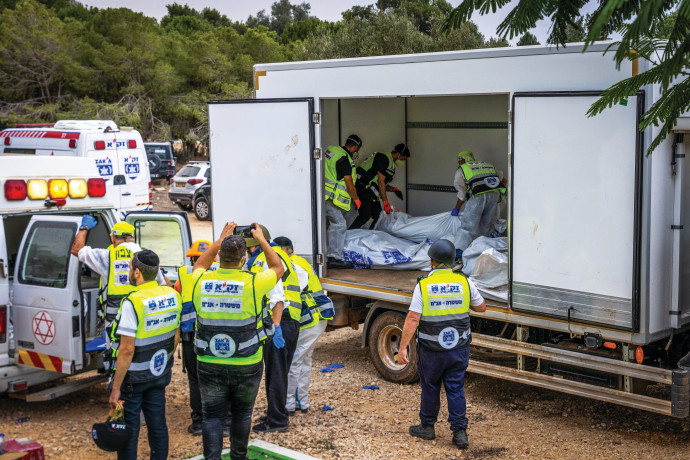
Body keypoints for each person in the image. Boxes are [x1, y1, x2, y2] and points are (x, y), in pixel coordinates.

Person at [191, 222, 284, 460]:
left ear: (219, 255)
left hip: (209, 361)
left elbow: (200, 263)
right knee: (242, 414)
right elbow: (278, 267)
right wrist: (262, 239)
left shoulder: (201, 280)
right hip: (246, 362)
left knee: (211, 416)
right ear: (244, 259)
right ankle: (238, 457)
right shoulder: (254, 282)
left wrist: (220, 239)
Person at [397, 239, 486, 449]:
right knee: (455, 388)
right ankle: (460, 433)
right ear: (452, 260)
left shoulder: (424, 285)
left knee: (430, 387)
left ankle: (427, 427)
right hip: (458, 348)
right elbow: (481, 307)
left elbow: (412, 319)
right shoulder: (464, 282)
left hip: (432, 350)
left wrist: (402, 348)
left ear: (432, 262)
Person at [108, 250, 182, 460]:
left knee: (128, 430)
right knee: (158, 424)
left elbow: (127, 349)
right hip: (158, 374)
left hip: (133, 380)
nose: (129, 272)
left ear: (138, 272)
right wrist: (161, 363)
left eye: (130, 268)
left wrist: (115, 388)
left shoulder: (133, 302)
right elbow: (175, 336)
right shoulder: (173, 295)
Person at [70, 218, 169, 337]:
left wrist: (84, 228)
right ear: (132, 237)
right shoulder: (146, 257)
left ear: (113, 238)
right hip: (143, 315)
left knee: (115, 350)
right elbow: (165, 285)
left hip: (114, 320)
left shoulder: (107, 256)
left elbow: (76, 250)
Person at [245, 227, 302, 433]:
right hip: (289, 321)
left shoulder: (263, 259)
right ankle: (276, 412)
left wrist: (275, 327)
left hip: (280, 322)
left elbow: (276, 296)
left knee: (275, 372)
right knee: (278, 372)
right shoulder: (277, 254)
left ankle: (277, 420)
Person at [273, 237, 335, 415]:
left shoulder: (293, 267)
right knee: (304, 360)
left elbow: (289, 295)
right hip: (315, 318)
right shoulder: (299, 261)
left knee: (294, 361)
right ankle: (302, 402)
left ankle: (289, 405)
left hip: (310, 320)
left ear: (283, 250)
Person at [174, 240, 225, 436]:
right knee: (217, 379)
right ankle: (219, 419)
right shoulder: (221, 274)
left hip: (190, 337)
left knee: (195, 381)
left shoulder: (184, 275)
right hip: (215, 336)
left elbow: (177, 299)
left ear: (193, 258)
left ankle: (199, 422)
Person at [349, 143, 410, 229]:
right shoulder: (383, 158)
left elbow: (382, 184)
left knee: (378, 217)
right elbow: (381, 182)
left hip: (370, 191)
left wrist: (394, 189)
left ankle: (371, 235)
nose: (402, 162)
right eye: (403, 159)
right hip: (362, 186)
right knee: (365, 215)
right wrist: (385, 202)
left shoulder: (390, 165)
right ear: (398, 154)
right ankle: (349, 235)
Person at [324, 134, 362, 269]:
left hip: (320, 194)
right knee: (339, 224)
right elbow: (349, 184)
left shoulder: (331, 150)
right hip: (330, 198)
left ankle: (326, 252)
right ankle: (334, 257)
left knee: (329, 224)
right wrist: (356, 199)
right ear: (355, 147)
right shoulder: (346, 160)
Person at [451, 150, 506, 240]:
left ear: (463, 160)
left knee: (468, 225)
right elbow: (504, 180)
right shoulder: (487, 165)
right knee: (486, 224)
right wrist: (498, 193)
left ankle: (459, 249)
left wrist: (457, 208)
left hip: (478, 197)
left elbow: (462, 193)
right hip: (493, 196)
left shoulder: (463, 169)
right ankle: (482, 246)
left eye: (459, 160)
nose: (459, 163)